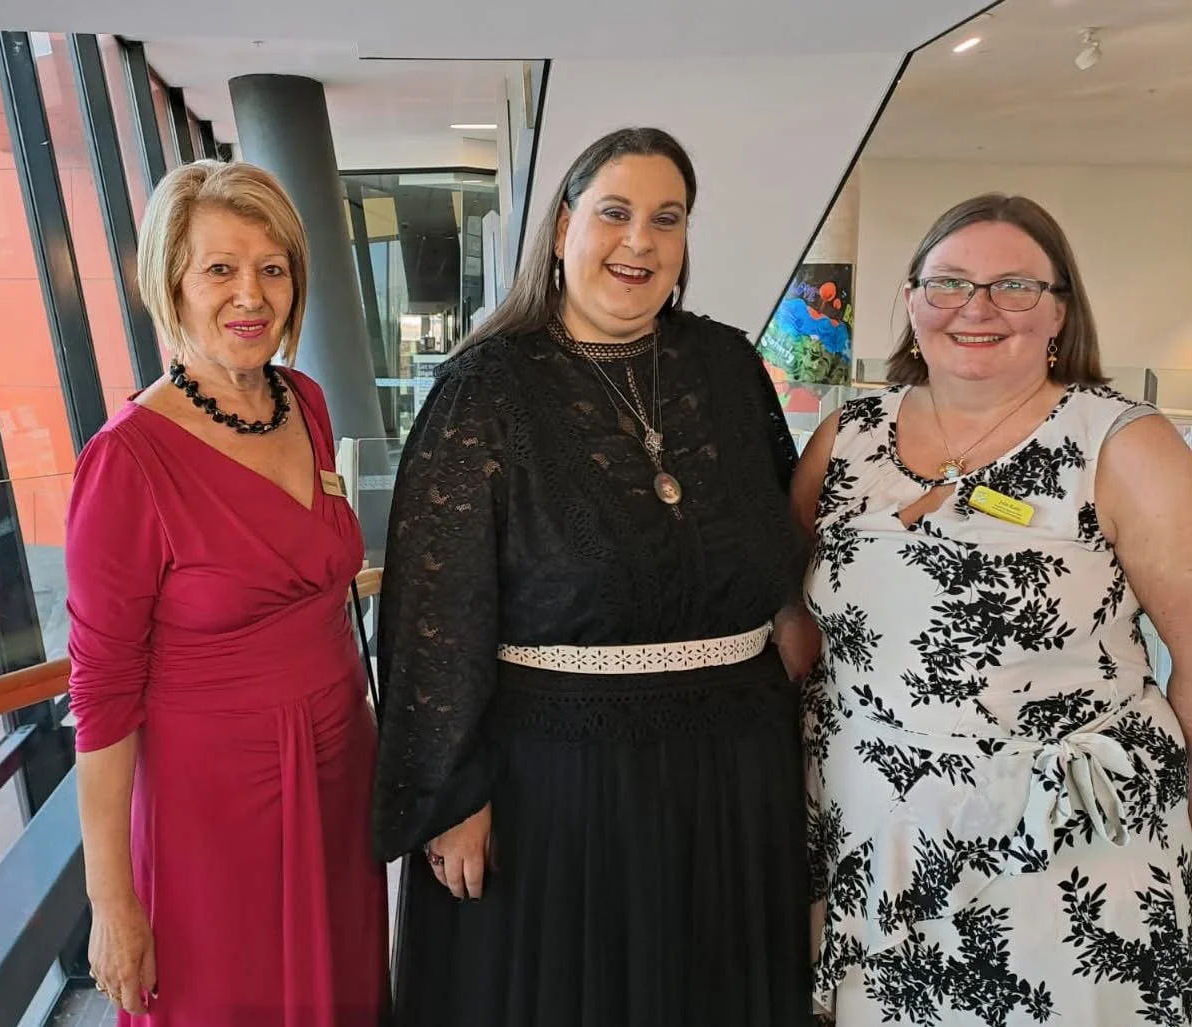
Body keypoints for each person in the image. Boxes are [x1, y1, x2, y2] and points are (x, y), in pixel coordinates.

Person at [372, 126, 816, 1026]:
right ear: (564, 224)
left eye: (667, 218)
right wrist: (451, 796)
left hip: (732, 766)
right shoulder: (485, 388)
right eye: (614, 213)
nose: (639, 241)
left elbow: (773, 533)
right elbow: (436, 607)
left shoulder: (729, 366)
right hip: (558, 782)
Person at [793, 193, 1192, 1025]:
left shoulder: (1120, 442)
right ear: (910, 303)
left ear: (1058, 312)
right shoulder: (846, 437)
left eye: (1013, 285)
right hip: (872, 830)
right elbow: (792, 616)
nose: (975, 308)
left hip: (1064, 840)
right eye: (947, 284)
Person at [65, 160, 386, 1026]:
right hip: (211, 799)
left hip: (337, 767)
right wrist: (112, 900)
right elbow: (99, 692)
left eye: (271, 268)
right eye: (220, 269)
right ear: (171, 284)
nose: (251, 295)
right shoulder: (126, 461)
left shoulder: (305, 402)